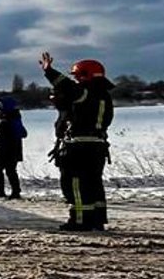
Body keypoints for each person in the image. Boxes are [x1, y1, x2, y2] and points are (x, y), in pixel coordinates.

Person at [40, 51, 115, 231]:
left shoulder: (86, 92)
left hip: (79, 148)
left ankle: (80, 221)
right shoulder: (103, 95)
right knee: (93, 184)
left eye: (77, 76)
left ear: (85, 75)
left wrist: (49, 71)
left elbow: (67, 87)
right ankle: (97, 219)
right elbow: (83, 112)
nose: (76, 80)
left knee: (75, 184)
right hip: (97, 147)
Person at [0, 96, 26, 199]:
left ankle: (15, 192)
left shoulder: (10, 121)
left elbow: (21, 134)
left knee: (10, 171)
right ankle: (0, 191)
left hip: (9, 151)